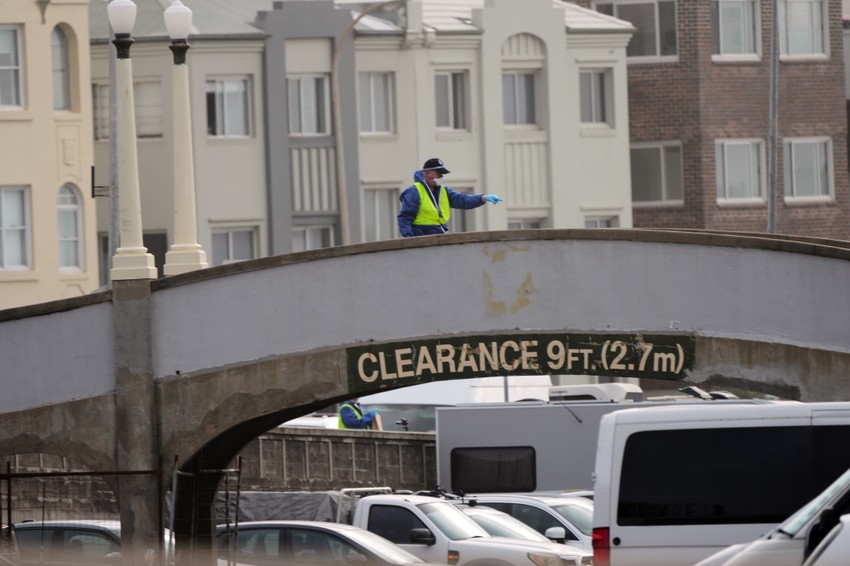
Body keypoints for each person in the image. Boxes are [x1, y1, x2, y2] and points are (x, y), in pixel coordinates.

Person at [397, 158, 503, 237]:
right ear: (427, 173)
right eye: (438, 174)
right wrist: (410, 240)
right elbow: (405, 218)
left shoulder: (444, 190)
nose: (440, 178)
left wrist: (483, 198)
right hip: (422, 234)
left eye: (441, 175)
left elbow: (463, 200)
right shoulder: (414, 191)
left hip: (439, 233)